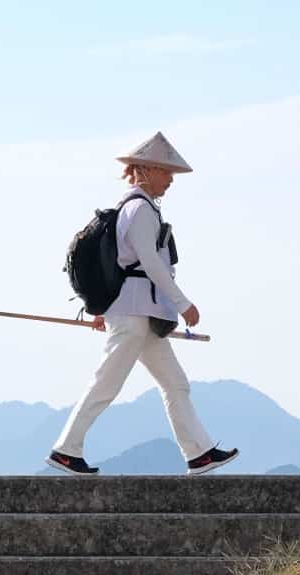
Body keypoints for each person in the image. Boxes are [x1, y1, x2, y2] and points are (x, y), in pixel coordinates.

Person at [47, 131, 239, 476]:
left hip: (141, 314)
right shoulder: (140, 211)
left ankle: (199, 453)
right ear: (147, 169)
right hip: (135, 313)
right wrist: (183, 305)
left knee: (175, 383)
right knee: (106, 383)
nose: (170, 180)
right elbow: (150, 264)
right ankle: (66, 449)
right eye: (166, 173)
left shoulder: (136, 209)